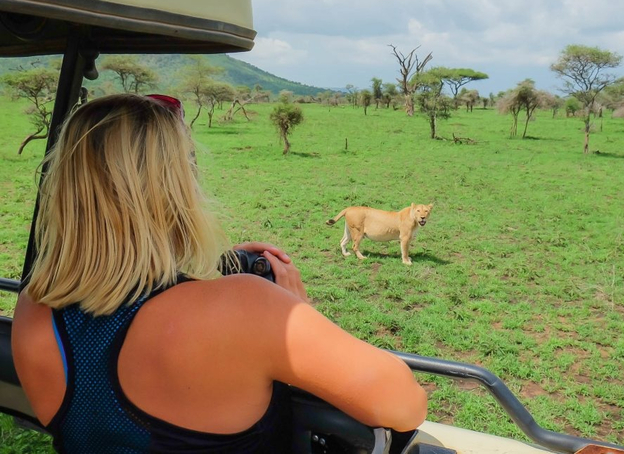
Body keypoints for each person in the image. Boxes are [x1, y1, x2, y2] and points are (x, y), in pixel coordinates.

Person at [11, 94, 427, 453]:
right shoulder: (247, 306)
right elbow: (405, 403)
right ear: (174, 185)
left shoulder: (35, 306)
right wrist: (295, 309)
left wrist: (208, 270)